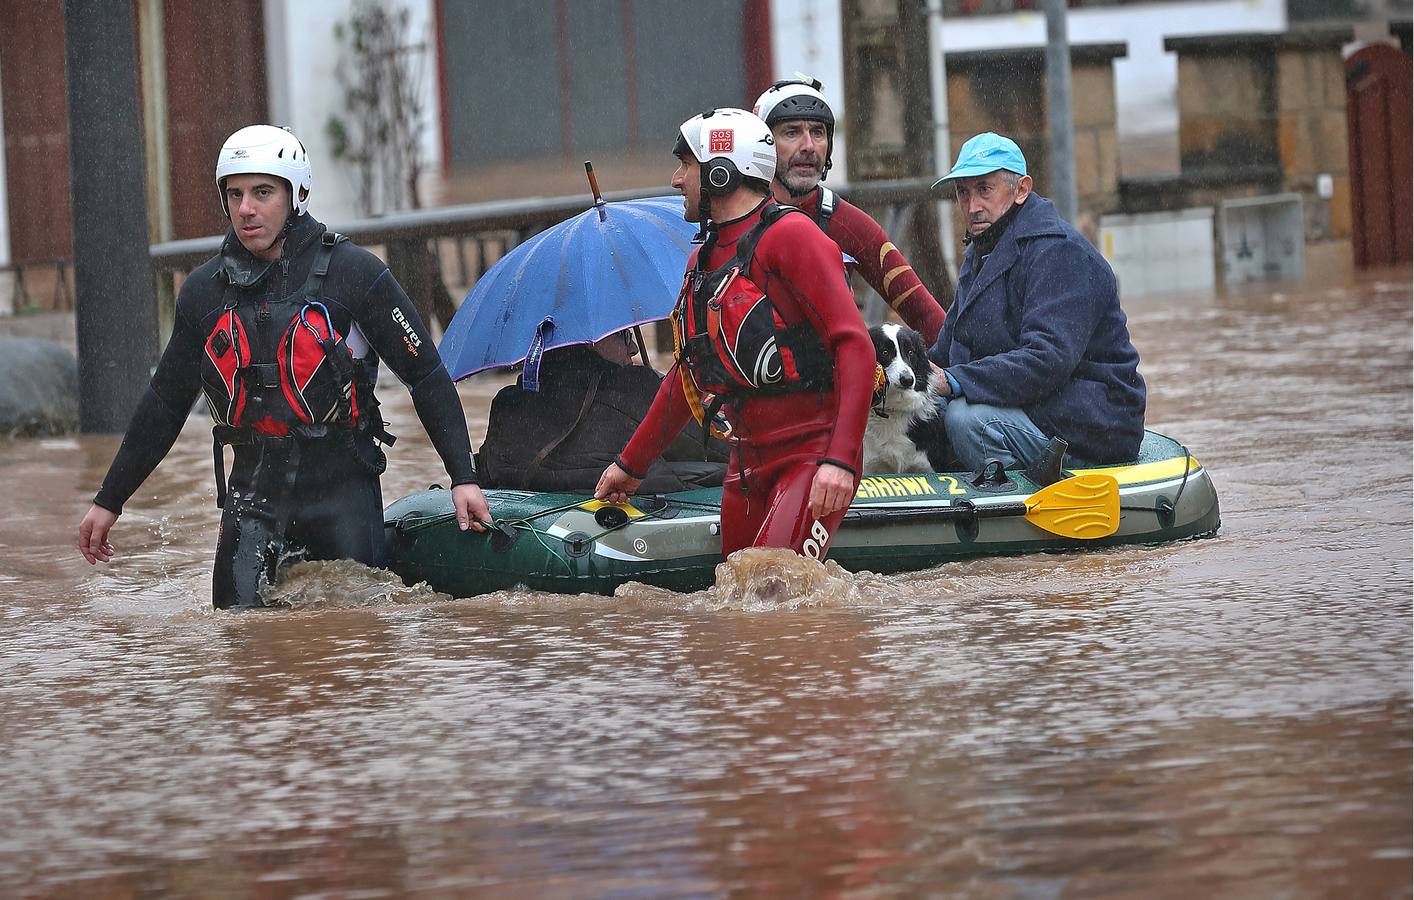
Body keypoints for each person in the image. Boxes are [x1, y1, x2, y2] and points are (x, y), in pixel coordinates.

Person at [76, 124, 490, 610]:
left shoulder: (355, 274)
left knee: (356, 646)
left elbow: (426, 375)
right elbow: (165, 404)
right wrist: (109, 500)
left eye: (263, 192)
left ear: (297, 194)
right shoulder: (205, 292)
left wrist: (463, 476)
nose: (246, 208)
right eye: (235, 194)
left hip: (343, 495)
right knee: (241, 641)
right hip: (252, 499)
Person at [594, 108, 875, 561]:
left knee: (773, 592)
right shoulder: (700, 263)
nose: (675, 180)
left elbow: (855, 345)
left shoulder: (793, 237)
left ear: (721, 174)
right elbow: (685, 381)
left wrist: (840, 460)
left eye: (686, 166)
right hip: (746, 464)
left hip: (812, 454)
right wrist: (631, 465)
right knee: (737, 611)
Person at [926, 132, 1146, 472]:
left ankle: (1005, 504)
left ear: (1022, 190)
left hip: (1094, 423)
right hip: (1037, 407)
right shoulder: (981, 250)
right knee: (925, 409)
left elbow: (1047, 360)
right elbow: (949, 349)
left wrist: (955, 381)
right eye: (963, 192)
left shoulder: (1061, 252)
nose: (971, 206)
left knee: (965, 419)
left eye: (984, 189)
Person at [752, 78, 947, 345]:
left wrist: (961, 377)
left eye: (818, 132)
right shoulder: (735, 216)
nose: (809, 146)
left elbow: (929, 318)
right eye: (792, 132)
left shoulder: (847, 223)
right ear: (763, 145)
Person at [477, 328, 729, 493]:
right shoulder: (633, 388)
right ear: (590, 341)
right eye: (623, 336)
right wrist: (700, 407)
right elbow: (719, 448)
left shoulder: (507, 403)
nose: (634, 349)